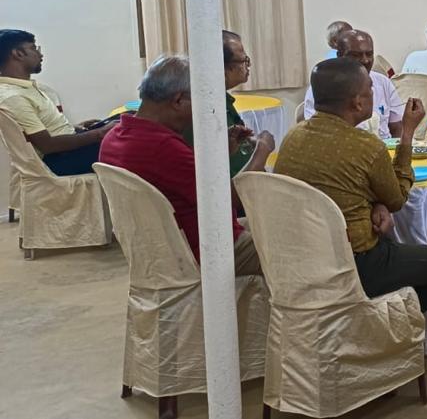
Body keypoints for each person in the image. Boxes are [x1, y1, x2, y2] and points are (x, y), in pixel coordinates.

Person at [275, 58, 427, 313]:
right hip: (356, 260)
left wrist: (375, 203)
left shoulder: (292, 137)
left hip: (303, 255)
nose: (374, 93)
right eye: (370, 89)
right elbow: (397, 200)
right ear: (358, 102)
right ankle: (386, 322)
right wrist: (407, 133)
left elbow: (339, 185)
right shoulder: (365, 146)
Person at [99, 56, 274, 275]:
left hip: (161, 253)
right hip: (206, 252)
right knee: (295, 245)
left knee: (274, 225)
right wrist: (263, 150)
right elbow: (232, 198)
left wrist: (222, 152)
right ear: (179, 101)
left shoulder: (115, 137)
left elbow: (188, 179)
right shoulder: (161, 147)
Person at [0, 29, 115, 176]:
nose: (40, 54)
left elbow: (42, 131)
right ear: (18, 53)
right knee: (132, 140)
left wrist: (75, 128)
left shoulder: (24, 88)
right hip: (58, 161)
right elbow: (48, 145)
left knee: (128, 118)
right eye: (34, 48)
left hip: (66, 151)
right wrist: (100, 133)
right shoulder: (12, 97)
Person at [303, 30, 404, 139]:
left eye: (369, 54)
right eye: (356, 55)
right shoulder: (323, 86)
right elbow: (316, 132)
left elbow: (396, 126)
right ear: (340, 56)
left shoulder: (383, 82)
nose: (365, 60)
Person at [220, 30, 256, 175]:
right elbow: (238, 181)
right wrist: (263, 149)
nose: (248, 66)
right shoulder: (208, 108)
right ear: (223, 68)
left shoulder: (223, 99)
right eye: (243, 60)